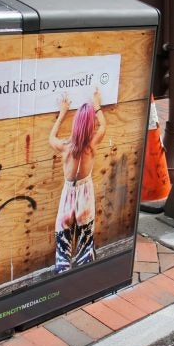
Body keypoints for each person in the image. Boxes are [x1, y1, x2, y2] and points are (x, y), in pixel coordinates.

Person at [48, 88, 106, 273]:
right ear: (90, 127)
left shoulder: (66, 147)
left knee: (63, 235)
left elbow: (51, 138)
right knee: (85, 236)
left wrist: (62, 113)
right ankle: (84, 270)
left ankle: (63, 269)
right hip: (85, 193)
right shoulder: (92, 145)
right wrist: (97, 105)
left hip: (69, 194)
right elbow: (103, 126)